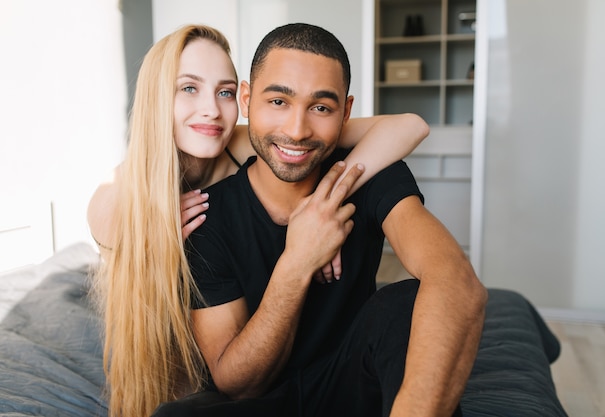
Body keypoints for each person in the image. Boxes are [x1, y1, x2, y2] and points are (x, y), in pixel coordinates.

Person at [87, 24, 429, 417]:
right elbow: (110, 233)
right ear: (156, 98)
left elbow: (410, 126)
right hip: (183, 349)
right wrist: (155, 231)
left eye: (225, 92)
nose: (212, 109)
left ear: (243, 98)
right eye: (189, 88)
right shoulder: (125, 189)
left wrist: (321, 200)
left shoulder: (240, 139)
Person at [156, 23, 487, 417]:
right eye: (278, 101)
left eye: (321, 108)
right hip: (262, 405)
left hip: (352, 385)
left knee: (407, 301)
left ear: (346, 112)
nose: (297, 131)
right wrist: (298, 262)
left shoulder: (371, 172)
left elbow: (455, 280)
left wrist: (327, 198)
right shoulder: (203, 214)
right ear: (246, 99)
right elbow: (238, 383)